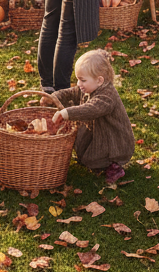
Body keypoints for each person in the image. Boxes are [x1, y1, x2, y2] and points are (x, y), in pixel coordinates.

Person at [49, 49, 134, 184]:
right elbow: (71, 92)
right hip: (96, 133)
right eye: (77, 79)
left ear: (99, 80)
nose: (78, 84)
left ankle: (114, 166)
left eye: (82, 80)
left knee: (102, 156)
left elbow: (92, 109)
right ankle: (95, 161)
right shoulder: (88, 87)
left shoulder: (107, 96)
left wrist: (66, 113)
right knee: (88, 157)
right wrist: (53, 98)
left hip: (111, 138)